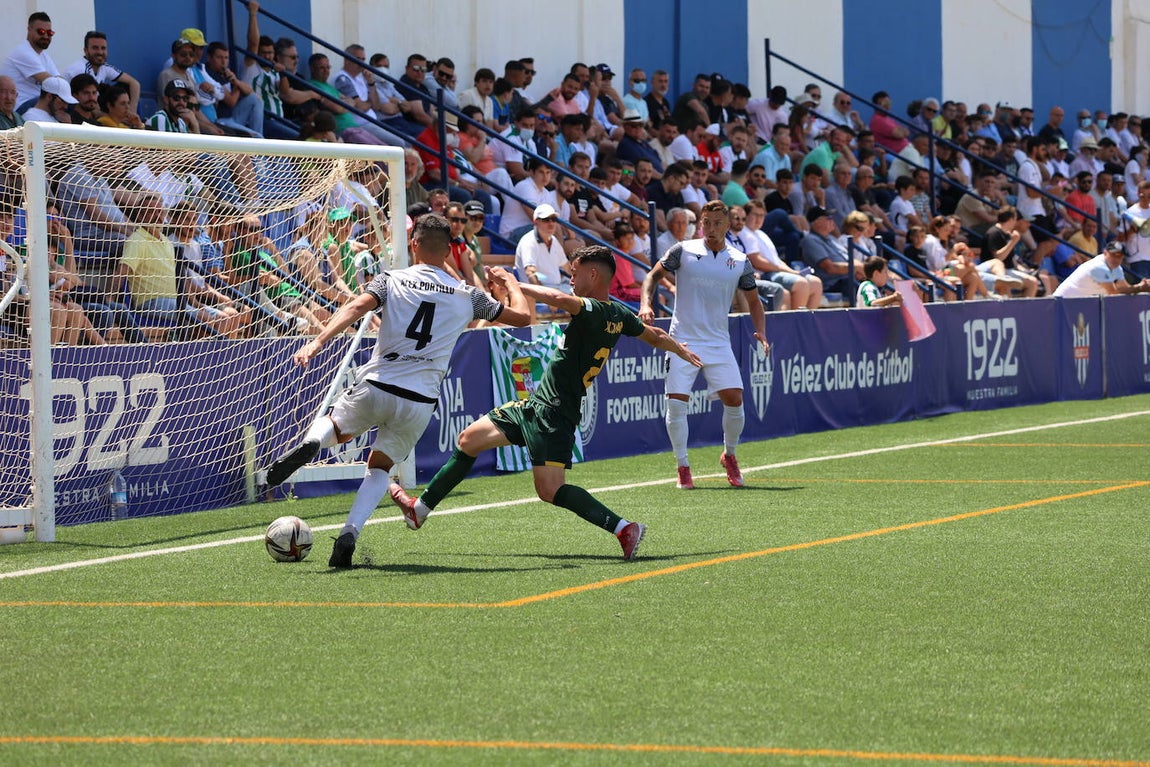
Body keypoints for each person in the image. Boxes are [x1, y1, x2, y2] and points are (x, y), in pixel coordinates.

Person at [389, 245, 702, 561]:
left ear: (593, 275)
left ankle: (623, 528)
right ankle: (420, 509)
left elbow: (556, 299)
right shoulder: (619, 315)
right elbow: (655, 336)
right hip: (537, 406)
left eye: (575, 273)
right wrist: (680, 350)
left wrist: (511, 283)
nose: (571, 279)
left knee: (550, 490)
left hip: (554, 413)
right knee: (468, 440)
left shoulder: (592, 309)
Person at [263, 215, 533, 567]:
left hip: (379, 381)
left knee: (334, 424)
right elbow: (523, 318)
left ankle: (316, 443)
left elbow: (357, 306)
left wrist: (317, 342)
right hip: (418, 400)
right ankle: (349, 533)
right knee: (379, 468)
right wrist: (511, 282)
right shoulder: (470, 295)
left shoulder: (392, 279)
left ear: (413, 245)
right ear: (449, 249)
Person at [638, 200, 768, 490]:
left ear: (728, 225)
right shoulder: (683, 250)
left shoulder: (739, 259)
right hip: (681, 339)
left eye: (716, 223)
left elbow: (754, 301)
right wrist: (646, 303)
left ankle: (730, 455)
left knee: (735, 399)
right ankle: (682, 465)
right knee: (676, 402)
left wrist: (761, 331)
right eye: (705, 222)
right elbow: (652, 277)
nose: (710, 228)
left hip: (718, 340)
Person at [61, 30, 140, 112]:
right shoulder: (80, 69)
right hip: (71, 110)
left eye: (103, 48)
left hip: (89, 106)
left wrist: (132, 110)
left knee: (124, 86)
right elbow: (91, 106)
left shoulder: (104, 67)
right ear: (85, 50)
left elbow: (134, 83)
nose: (100, 52)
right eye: (95, 48)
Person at [1, 12, 59, 112]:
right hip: (20, 106)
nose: (45, 36)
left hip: (35, 104)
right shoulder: (23, 52)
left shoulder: (43, 56)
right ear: (29, 30)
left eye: (49, 33)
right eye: (41, 31)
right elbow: (53, 84)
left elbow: (59, 81)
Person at [1053, 241, 1150, 297]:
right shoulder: (1098, 267)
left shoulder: (1116, 267)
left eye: (1119, 256)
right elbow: (1113, 292)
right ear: (1105, 253)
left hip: (1076, 302)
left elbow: (1125, 288)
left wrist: (1142, 286)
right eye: (1113, 255)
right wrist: (1140, 287)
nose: (1116, 259)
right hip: (1062, 301)